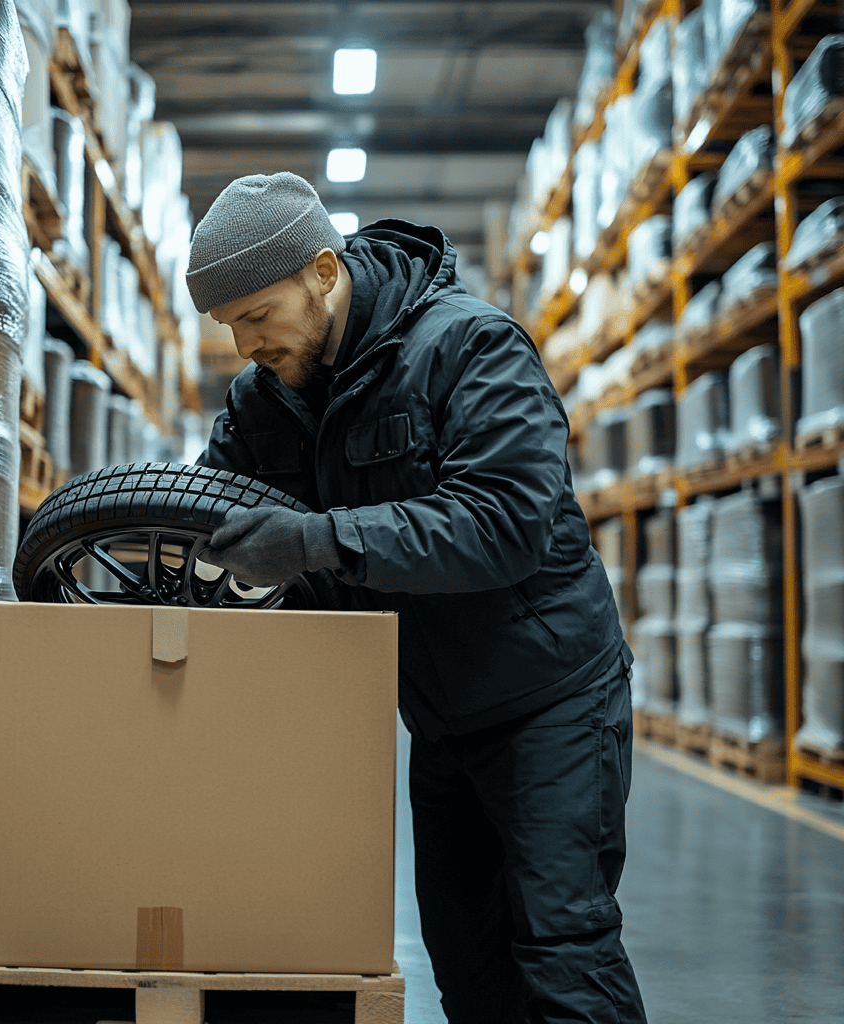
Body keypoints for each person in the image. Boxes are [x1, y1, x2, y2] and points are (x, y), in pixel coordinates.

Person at [187, 171, 648, 1024]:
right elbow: (199, 512)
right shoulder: (266, 400)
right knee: (467, 965)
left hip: (549, 699)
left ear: (323, 273)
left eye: (258, 316)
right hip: (439, 717)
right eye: (228, 327)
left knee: (560, 946)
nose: (246, 345)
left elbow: (503, 525)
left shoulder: (470, 347)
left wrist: (322, 540)